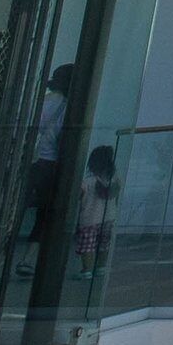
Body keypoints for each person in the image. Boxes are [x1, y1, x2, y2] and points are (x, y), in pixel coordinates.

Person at [28, 64, 75, 243]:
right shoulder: (69, 106)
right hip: (51, 161)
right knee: (45, 213)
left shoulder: (45, 100)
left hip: (36, 157)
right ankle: (32, 251)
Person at [74, 142, 120, 274]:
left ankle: (87, 270)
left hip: (89, 219)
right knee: (104, 244)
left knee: (88, 246)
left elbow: (78, 197)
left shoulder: (87, 182)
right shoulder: (115, 181)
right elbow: (116, 199)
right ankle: (101, 267)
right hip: (109, 217)